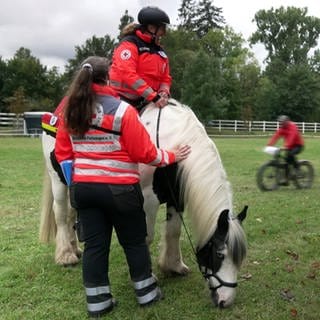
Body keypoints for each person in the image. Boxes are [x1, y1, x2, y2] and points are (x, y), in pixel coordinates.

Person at [54, 56, 191, 318]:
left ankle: (98, 302)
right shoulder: (122, 111)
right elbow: (146, 154)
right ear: (108, 78)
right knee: (134, 243)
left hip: (84, 189)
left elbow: (62, 154)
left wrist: (78, 183)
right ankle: (147, 294)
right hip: (121, 190)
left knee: (95, 247)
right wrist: (172, 155)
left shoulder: (71, 111)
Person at [109, 6, 171, 110]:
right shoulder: (129, 44)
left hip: (148, 100)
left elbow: (166, 78)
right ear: (151, 28)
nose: (163, 33)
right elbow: (128, 73)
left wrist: (164, 92)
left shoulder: (160, 51)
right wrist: (153, 96)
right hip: (123, 98)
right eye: (162, 29)